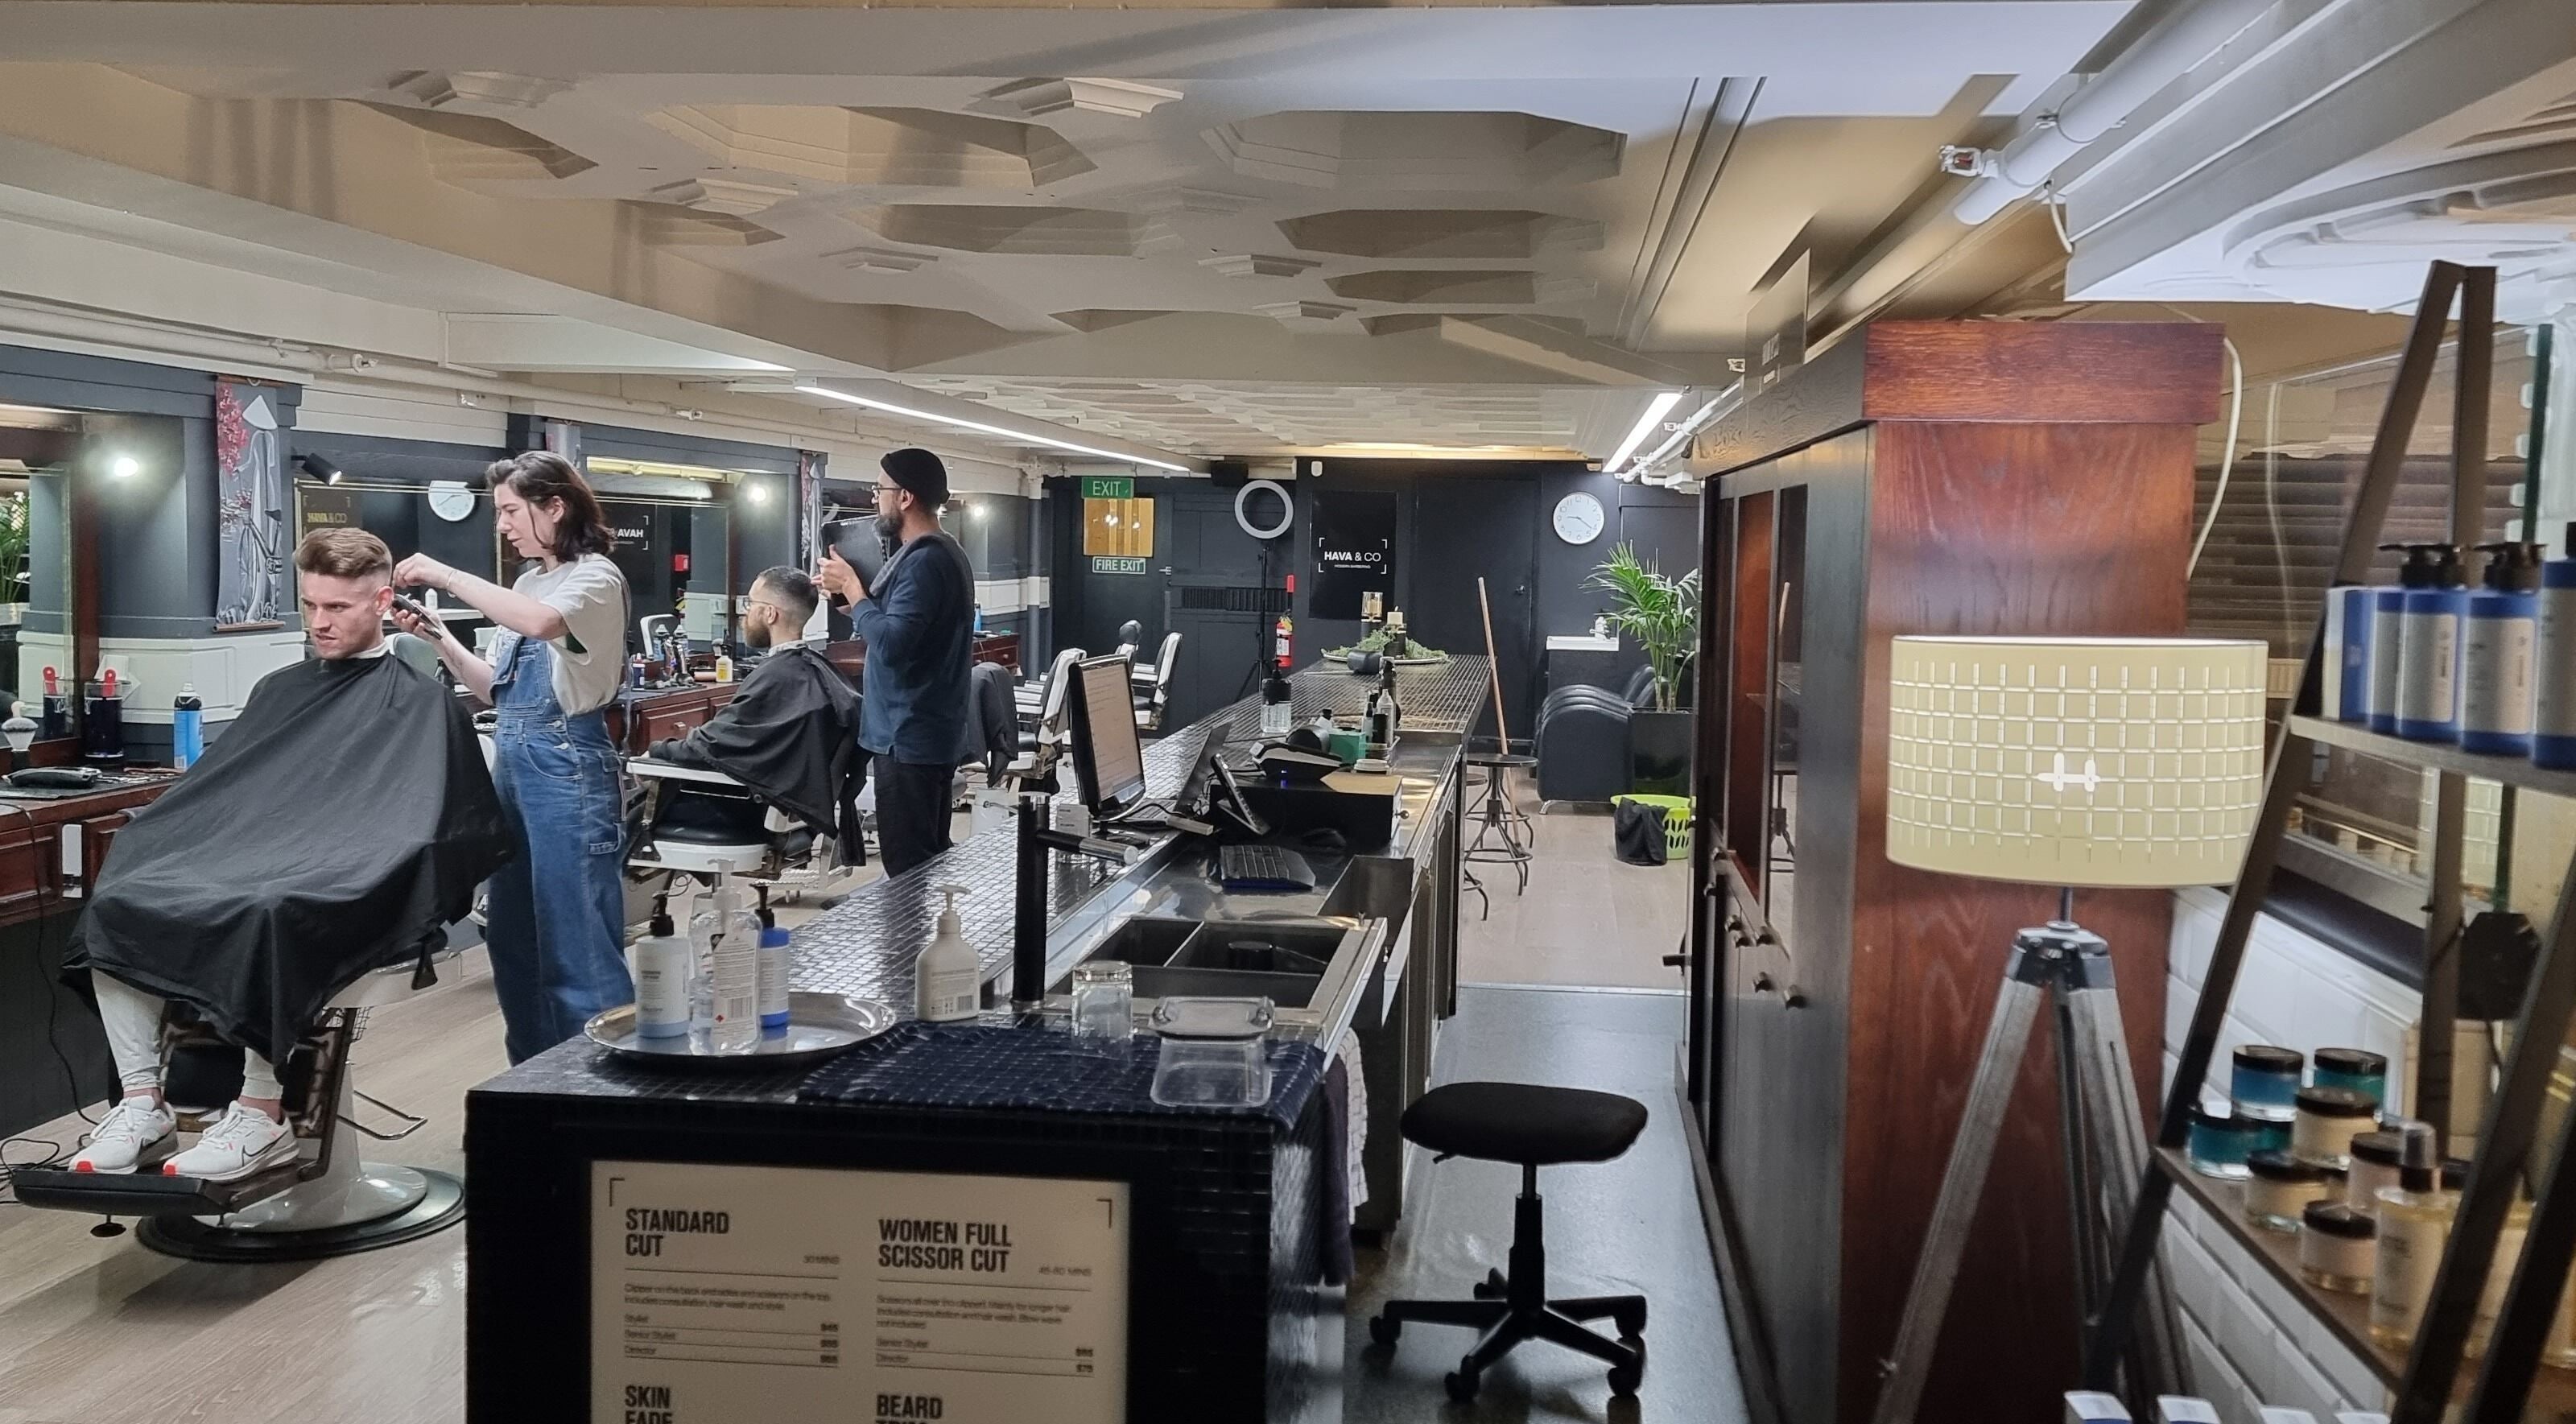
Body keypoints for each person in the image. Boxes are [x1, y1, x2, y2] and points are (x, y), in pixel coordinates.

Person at [67, 529, 507, 1177]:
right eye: (310, 606)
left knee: (272, 910)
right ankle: (142, 1102)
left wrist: (349, 855)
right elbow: (235, 792)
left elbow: (438, 825)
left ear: (384, 600)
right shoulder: (280, 689)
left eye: (338, 608)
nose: (320, 623)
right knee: (120, 898)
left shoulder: (423, 701)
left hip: (356, 872)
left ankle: (259, 1110)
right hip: (270, 857)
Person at [393, 451, 634, 1064]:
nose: (500, 524)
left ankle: (606, 1093)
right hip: (515, 763)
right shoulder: (527, 581)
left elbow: (543, 623)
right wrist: (439, 639)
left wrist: (446, 576)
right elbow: (496, 689)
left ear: (555, 506)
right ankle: (532, 1087)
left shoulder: (596, 580)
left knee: (576, 944)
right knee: (515, 941)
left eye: (509, 510)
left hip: (568, 768)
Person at [815, 448, 973, 876]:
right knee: (927, 865)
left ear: (904, 497)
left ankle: (909, 944)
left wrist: (855, 590)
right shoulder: (945, 551)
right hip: (926, 735)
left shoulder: (924, 560)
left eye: (879, 490)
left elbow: (892, 646)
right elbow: (909, 631)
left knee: (908, 872)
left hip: (909, 739)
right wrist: (859, 609)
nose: (874, 500)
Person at [646, 567, 864, 852]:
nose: (745, 614)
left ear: (770, 614)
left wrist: (657, 751)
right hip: (783, 814)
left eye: (751, 604)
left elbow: (711, 746)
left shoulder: (777, 677)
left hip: (742, 814)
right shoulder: (814, 672)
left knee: (633, 816)